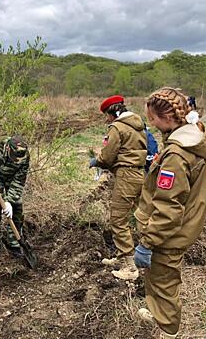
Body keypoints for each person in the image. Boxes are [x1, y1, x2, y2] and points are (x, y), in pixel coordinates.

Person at [134, 87, 206, 339]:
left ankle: (168, 329)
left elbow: (169, 208)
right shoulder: (193, 137)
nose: (151, 123)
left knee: (163, 282)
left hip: (169, 234)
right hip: (181, 228)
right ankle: (160, 314)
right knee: (162, 278)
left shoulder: (176, 154)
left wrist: (147, 242)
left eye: (153, 118)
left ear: (167, 118)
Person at [89, 95, 147, 280]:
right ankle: (145, 256)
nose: (106, 119)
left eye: (106, 115)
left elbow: (107, 157)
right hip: (140, 174)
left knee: (118, 219)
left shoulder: (117, 127)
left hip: (126, 176)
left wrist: (96, 161)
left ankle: (129, 266)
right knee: (142, 216)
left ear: (113, 113)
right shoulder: (138, 125)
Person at [0, 135, 30, 257]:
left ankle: (14, 243)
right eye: (13, 157)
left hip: (13, 179)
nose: (15, 161)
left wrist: (9, 202)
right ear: (8, 148)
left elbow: (19, 181)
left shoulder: (24, 156)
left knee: (17, 207)